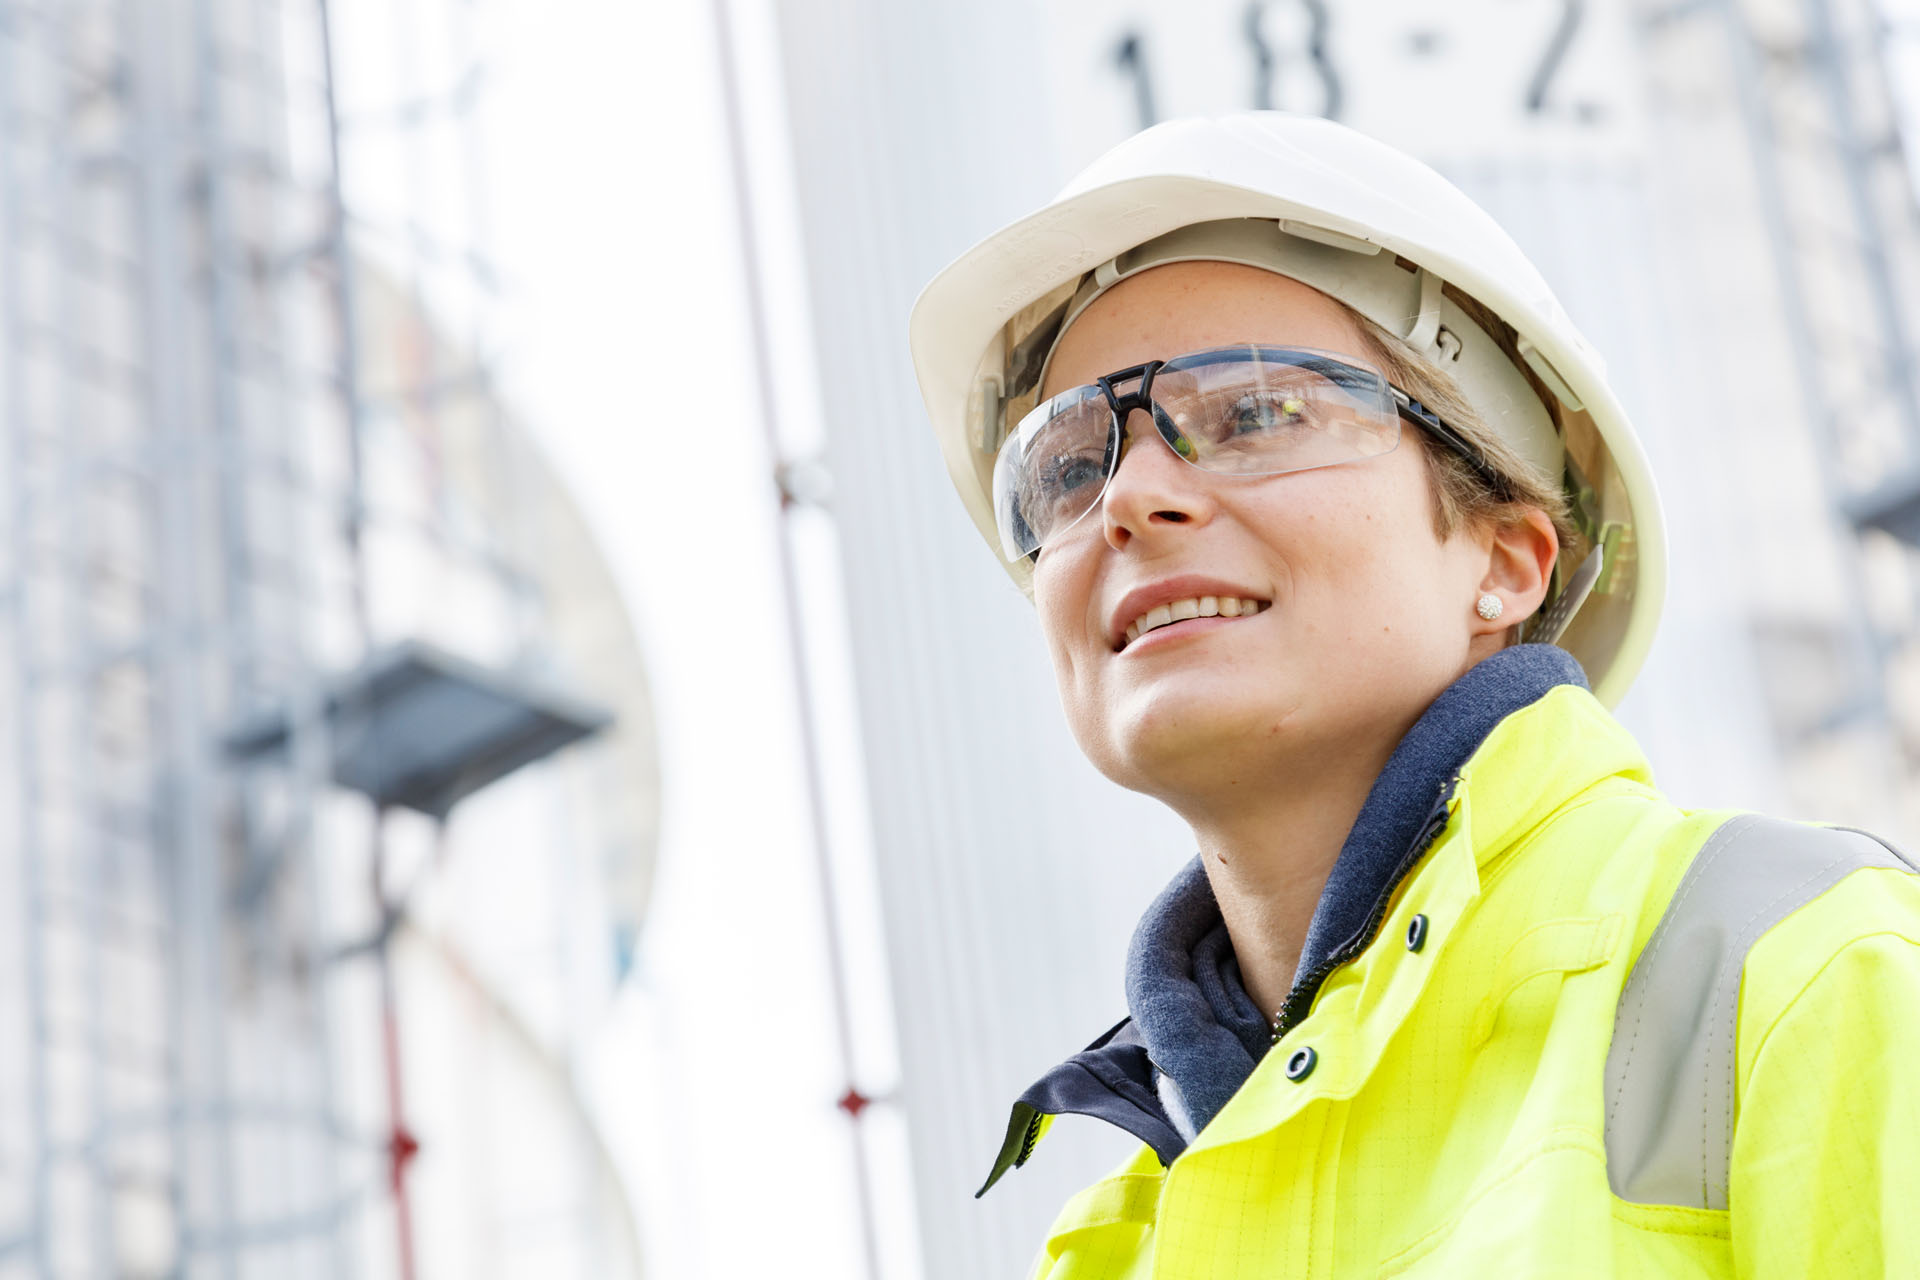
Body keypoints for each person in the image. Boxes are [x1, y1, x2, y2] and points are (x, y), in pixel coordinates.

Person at [907, 112, 1920, 1277]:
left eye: (1259, 411)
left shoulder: (1806, 972)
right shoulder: (1112, 1245)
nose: (1130, 495)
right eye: (1071, 465)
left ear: (1504, 560)